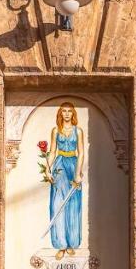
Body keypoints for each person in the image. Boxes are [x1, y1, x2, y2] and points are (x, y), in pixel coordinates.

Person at [45, 101, 85, 260]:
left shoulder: (78, 131)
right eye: (64, 111)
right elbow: (52, 151)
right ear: (60, 114)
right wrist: (48, 168)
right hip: (60, 166)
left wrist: (77, 173)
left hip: (73, 166)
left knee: (73, 204)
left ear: (73, 114)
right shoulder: (56, 130)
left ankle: (71, 243)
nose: (67, 114)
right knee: (58, 204)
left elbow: (81, 153)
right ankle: (60, 244)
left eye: (69, 111)